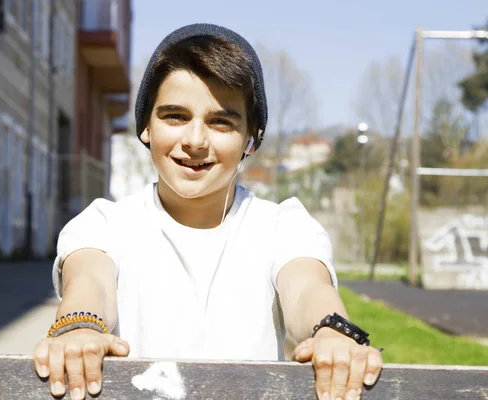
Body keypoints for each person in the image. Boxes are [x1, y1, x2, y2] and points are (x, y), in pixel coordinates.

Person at [33, 23, 383, 400]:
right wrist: (81, 327)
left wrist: (330, 332)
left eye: (220, 122)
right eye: (174, 117)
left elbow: (307, 291)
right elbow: (90, 283)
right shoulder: (103, 224)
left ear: (251, 139)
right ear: (146, 127)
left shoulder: (283, 226)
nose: (195, 141)